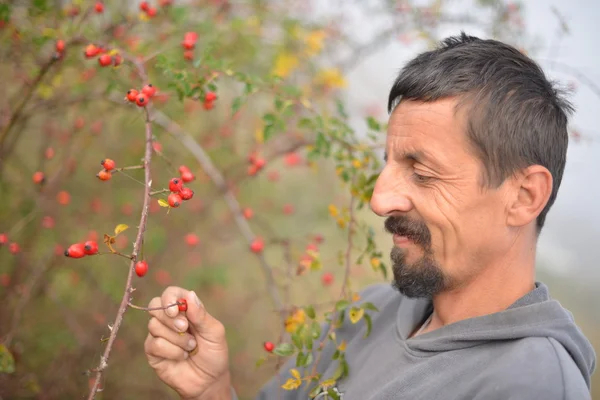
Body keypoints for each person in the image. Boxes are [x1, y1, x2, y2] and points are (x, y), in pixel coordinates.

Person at [143, 32, 596, 399]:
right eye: (388, 163)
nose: (381, 200)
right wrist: (212, 391)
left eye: (421, 173)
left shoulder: (530, 384)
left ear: (523, 196)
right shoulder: (368, 313)